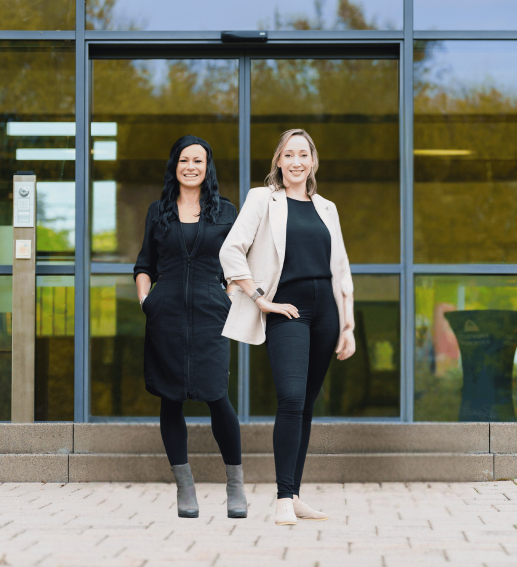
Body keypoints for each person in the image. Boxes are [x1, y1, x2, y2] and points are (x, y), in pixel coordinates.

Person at [219, 128, 356, 526]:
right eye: (289, 154)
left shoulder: (327, 208)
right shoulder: (263, 199)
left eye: (304, 155)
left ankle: (294, 494)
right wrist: (261, 298)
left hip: (327, 312)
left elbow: (341, 269)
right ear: (279, 161)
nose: (296, 161)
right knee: (292, 399)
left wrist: (347, 326)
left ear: (313, 162)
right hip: (288, 310)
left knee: (307, 405)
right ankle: (282, 498)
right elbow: (231, 249)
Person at [133, 135, 246, 519]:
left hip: (211, 313)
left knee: (218, 396)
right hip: (165, 316)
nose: (191, 166)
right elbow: (144, 264)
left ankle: (235, 486)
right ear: (175, 165)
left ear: (207, 166)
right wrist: (146, 300)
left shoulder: (226, 212)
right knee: (171, 399)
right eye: (184, 160)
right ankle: (185, 488)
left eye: (198, 160)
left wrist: (229, 296)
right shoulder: (158, 211)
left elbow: (239, 262)